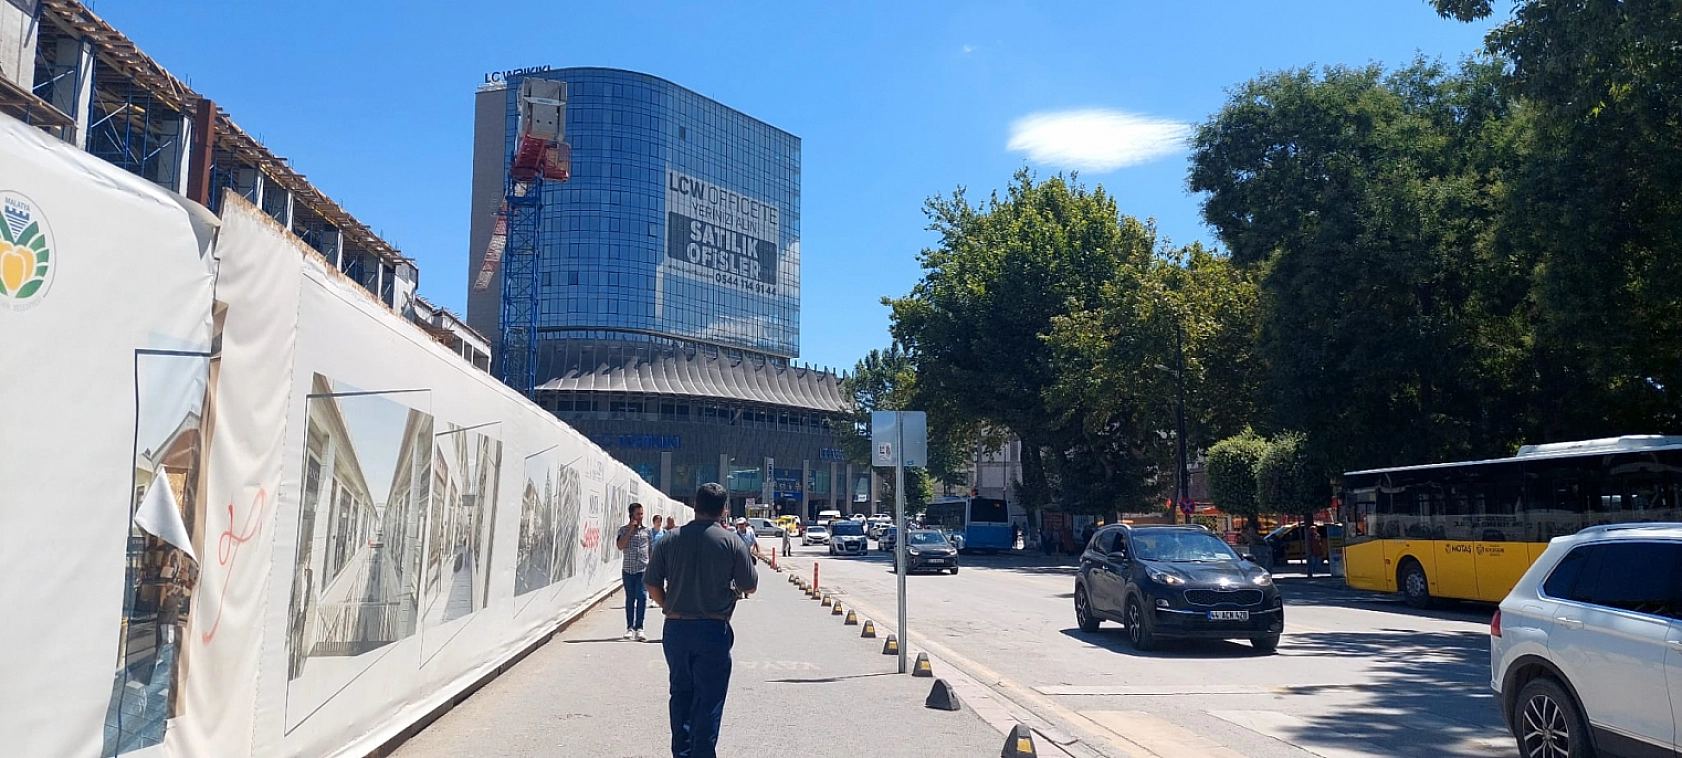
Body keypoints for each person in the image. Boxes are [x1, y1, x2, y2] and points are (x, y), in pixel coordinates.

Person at [645, 483, 757, 758]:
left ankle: (681, 753)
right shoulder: (731, 541)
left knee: (681, 693)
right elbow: (750, 585)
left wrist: (669, 605)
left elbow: (652, 584)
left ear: (695, 506)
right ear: (723, 510)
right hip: (712, 628)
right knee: (709, 699)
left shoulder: (670, 539)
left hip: (676, 628)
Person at [615, 502, 652, 641]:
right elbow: (620, 546)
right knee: (630, 598)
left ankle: (639, 628)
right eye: (638, 514)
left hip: (643, 569)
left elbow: (650, 549)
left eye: (641, 514)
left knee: (642, 597)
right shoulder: (623, 530)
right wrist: (631, 529)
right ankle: (630, 627)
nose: (640, 516)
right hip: (628, 569)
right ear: (631, 515)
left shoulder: (647, 531)